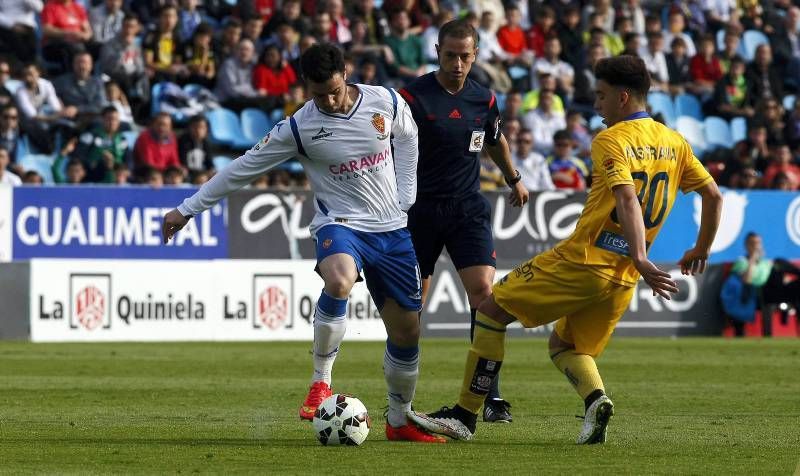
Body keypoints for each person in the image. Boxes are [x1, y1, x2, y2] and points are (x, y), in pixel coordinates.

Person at [408, 55, 723, 444]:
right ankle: (595, 401)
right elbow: (712, 194)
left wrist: (643, 257)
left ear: (623, 98)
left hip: (585, 260)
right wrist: (700, 247)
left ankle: (464, 417)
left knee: (489, 312)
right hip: (621, 277)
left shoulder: (611, 140)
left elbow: (626, 198)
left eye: (602, 96)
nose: (596, 105)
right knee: (565, 346)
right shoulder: (675, 142)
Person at [161, 43, 444, 443]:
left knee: (407, 333)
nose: (327, 101)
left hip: (392, 230)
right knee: (340, 280)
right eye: (317, 94)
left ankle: (398, 421)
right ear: (304, 88)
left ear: (345, 73)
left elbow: (410, 136)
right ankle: (320, 382)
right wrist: (187, 209)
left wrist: (406, 195)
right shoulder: (300, 127)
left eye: (332, 90)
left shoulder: (385, 101)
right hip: (339, 224)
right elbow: (242, 168)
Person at [398, 20, 528, 424]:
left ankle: (490, 396)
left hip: (467, 208)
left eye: (465, 56)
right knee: (411, 307)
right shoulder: (410, 96)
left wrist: (514, 178)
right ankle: (402, 398)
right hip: (419, 210)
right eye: (451, 54)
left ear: (476, 54)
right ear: (437, 51)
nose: (457, 63)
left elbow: (493, 139)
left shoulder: (483, 98)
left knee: (484, 295)